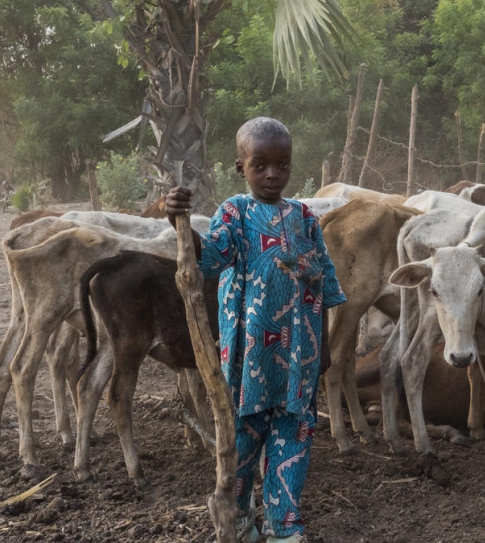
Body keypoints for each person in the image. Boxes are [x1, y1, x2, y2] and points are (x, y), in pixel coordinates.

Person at [166, 117, 346, 543]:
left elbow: (321, 283)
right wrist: (181, 222)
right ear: (240, 167)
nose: (272, 174)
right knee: (243, 440)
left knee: (295, 437)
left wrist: (322, 348)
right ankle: (241, 518)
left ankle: (284, 523)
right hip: (249, 357)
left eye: (282, 165)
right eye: (260, 165)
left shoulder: (304, 217)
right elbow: (208, 260)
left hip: (300, 354)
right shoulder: (236, 212)